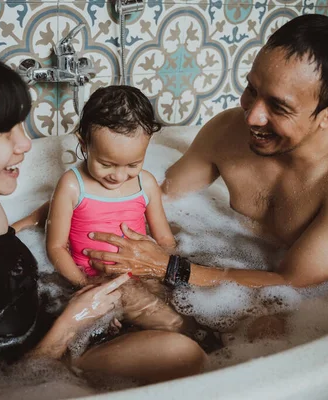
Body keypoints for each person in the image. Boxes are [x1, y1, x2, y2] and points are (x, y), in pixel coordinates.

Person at [0, 43, 206, 389]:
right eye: (4, 132)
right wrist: (72, 322)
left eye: (20, 126)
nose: (25, 144)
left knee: (197, 334)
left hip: (66, 324)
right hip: (41, 367)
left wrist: (43, 217)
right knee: (184, 354)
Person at [81, 14, 328, 289]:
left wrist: (167, 267)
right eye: (252, 90)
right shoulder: (227, 131)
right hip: (221, 262)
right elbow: (163, 197)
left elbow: (291, 285)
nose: (251, 116)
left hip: (304, 300)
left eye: (278, 106)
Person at [46, 86, 215, 342]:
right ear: (84, 144)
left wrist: (159, 267)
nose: (119, 175)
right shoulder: (72, 185)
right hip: (99, 278)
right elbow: (56, 247)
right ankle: (196, 345)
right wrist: (84, 286)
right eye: (106, 164)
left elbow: (165, 241)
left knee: (190, 307)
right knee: (174, 324)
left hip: (144, 268)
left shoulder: (145, 185)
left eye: (133, 164)